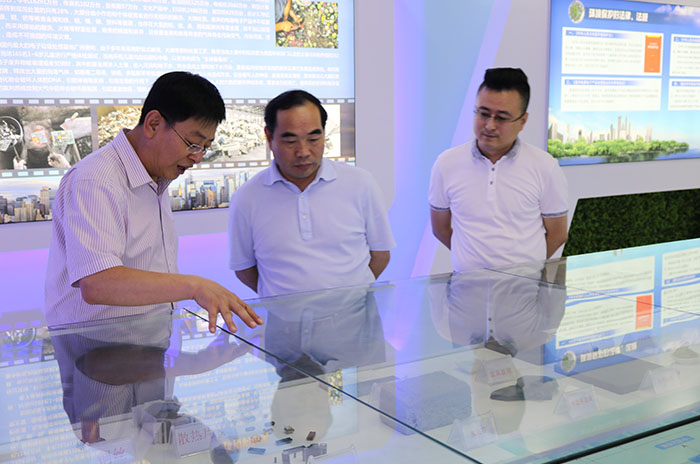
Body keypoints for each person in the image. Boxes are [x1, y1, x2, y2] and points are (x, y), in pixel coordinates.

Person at [44, 71, 263, 334]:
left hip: (145, 343)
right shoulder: (96, 179)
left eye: (205, 147)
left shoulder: (156, 175)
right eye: (193, 144)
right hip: (96, 347)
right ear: (154, 124)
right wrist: (195, 286)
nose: (197, 158)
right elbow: (97, 283)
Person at [228, 90, 395, 297]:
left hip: (356, 314)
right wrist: (285, 304)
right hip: (285, 318)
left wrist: (351, 298)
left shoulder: (361, 183)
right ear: (269, 138)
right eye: (290, 141)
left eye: (314, 138)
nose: (303, 152)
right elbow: (244, 268)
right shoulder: (247, 197)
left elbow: (380, 254)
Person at [429, 67, 569, 271]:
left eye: (501, 118)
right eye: (483, 113)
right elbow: (440, 229)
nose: (489, 125)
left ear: (522, 121)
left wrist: (526, 270)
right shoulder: (447, 164)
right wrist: (468, 259)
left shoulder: (545, 167)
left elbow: (558, 234)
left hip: (525, 288)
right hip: (467, 286)